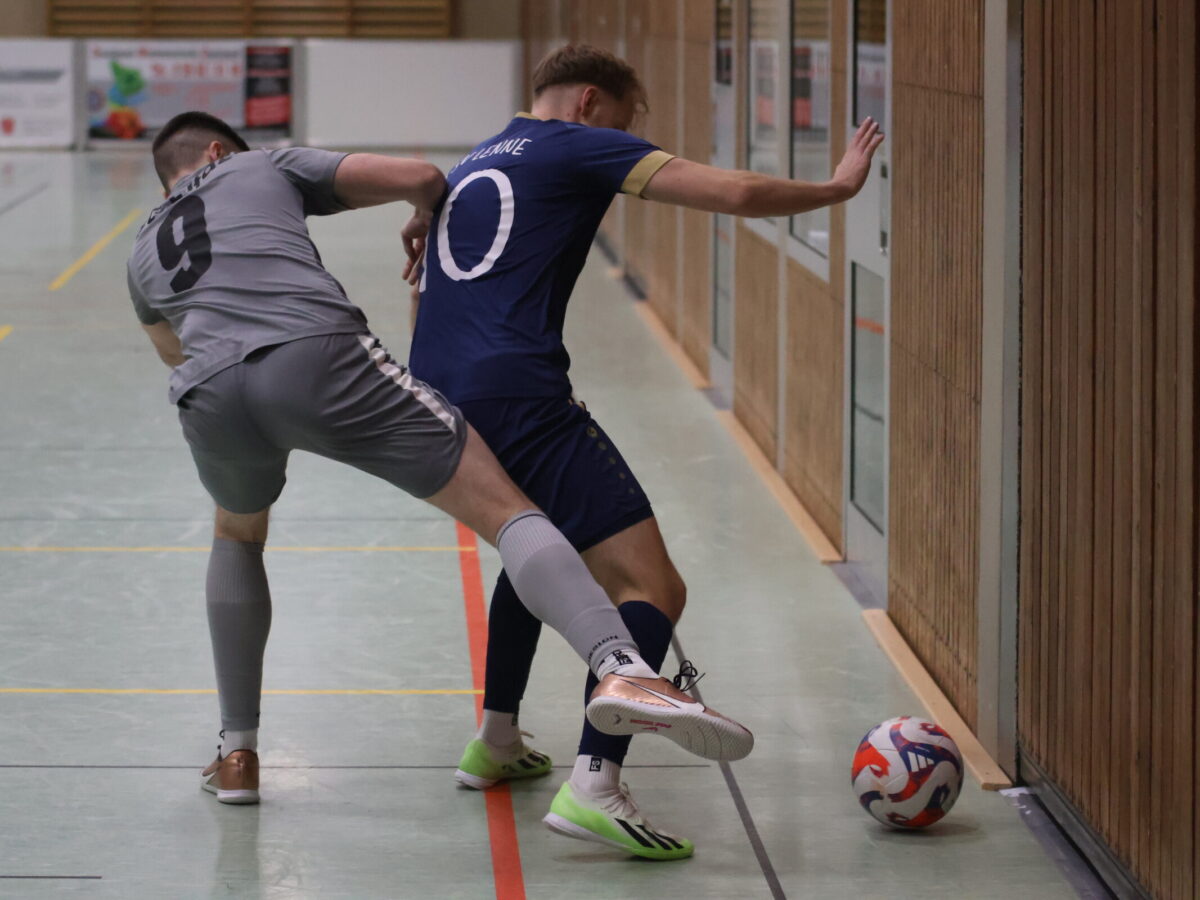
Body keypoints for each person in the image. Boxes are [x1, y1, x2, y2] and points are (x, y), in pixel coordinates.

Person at [126, 110, 753, 807]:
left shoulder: (142, 249)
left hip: (209, 393)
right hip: (315, 354)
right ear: (219, 151)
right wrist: (424, 212)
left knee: (237, 536)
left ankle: (237, 753)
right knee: (507, 507)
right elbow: (420, 176)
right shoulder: (260, 162)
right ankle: (622, 665)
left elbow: (172, 350)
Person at [407, 44, 883, 860]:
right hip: (519, 394)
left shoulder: (475, 159)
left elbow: (420, 289)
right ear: (590, 102)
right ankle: (596, 782)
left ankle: (497, 738)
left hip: (438, 397)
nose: (625, 140)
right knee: (653, 585)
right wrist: (836, 189)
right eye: (624, 124)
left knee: (537, 543)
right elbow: (733, 191)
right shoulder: (576, 144)